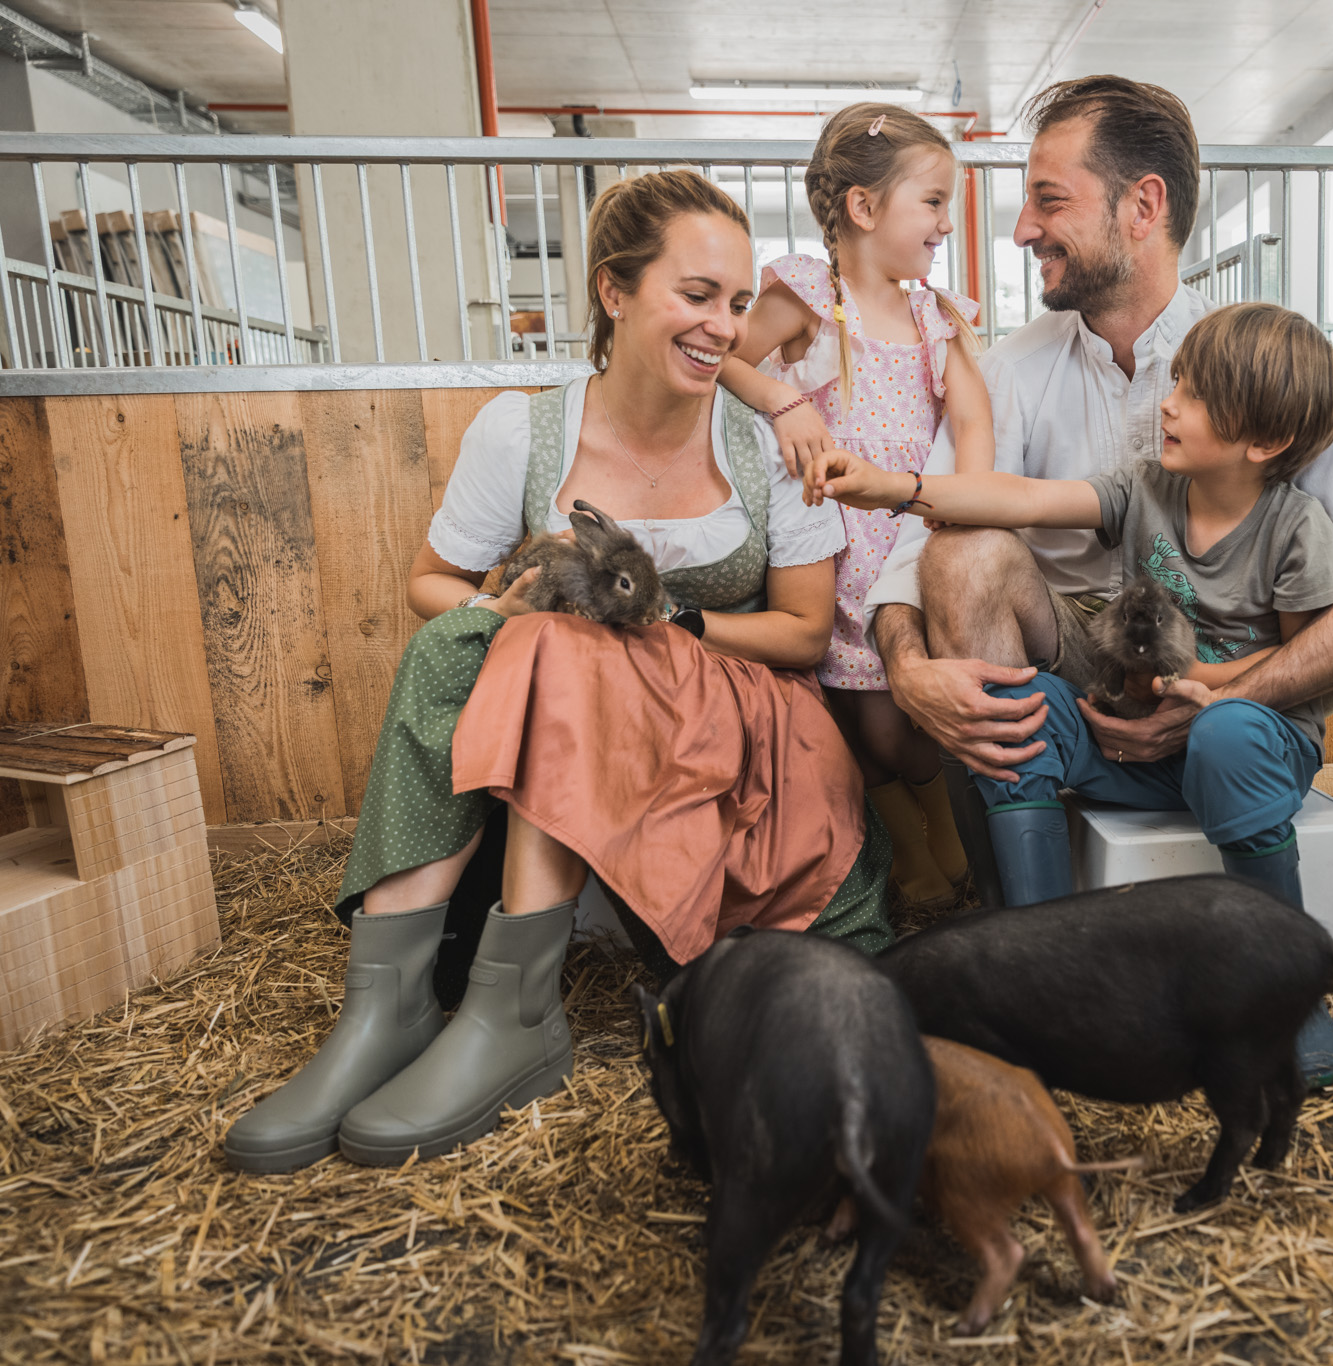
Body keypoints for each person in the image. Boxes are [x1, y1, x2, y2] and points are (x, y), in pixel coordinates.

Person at [223, 169, 889, 1176]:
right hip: (581, 723)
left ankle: (510, 1012)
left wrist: (661, 622)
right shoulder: (522, 429)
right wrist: (509, 612)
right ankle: (388, 1010)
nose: (724, 324)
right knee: (481, 634)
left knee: (561, 639)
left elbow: (801, 633)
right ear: (614, 291)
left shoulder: (764, 440)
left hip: (746, 738)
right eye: (697, 294)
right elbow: (430, 585)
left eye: (739, 301)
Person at [863, 75, 1333, 1046]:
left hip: (1239, 676)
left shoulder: (1253, 363)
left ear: (1142, 206)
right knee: (962, 558)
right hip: (1086, 672)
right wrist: (904, 664)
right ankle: (1020, 942)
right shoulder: (1009, 370)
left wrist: (1235, 691)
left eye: (1048, 199)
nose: (1018, 229)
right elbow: (911, 551)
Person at [814, 301, 1333, 1080]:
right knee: (1011, 703)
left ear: (1262, 442)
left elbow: (1303, 652)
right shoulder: (1144, 489)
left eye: (1196, 396)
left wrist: (1202, 687)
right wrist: (895, 488)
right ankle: (1036, 974)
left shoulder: (1297, 527)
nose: (1167, 402)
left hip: (1243, 739)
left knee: (1229, 733)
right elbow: (1026, 500)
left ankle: (1288, 998)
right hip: (1132, 733)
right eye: (1179, 383)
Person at [719, 103, 991, 911]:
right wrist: (780, 400)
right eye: (934, 202)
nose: (946, 224)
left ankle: (948, 853)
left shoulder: (938, 317)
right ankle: (913, 857)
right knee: (867, 727)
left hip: (911, 542)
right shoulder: (808, 295)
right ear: (864, 209)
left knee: (917, 728)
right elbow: (721, 359)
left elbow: (972, 429)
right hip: (838, 551)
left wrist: (961, 524)